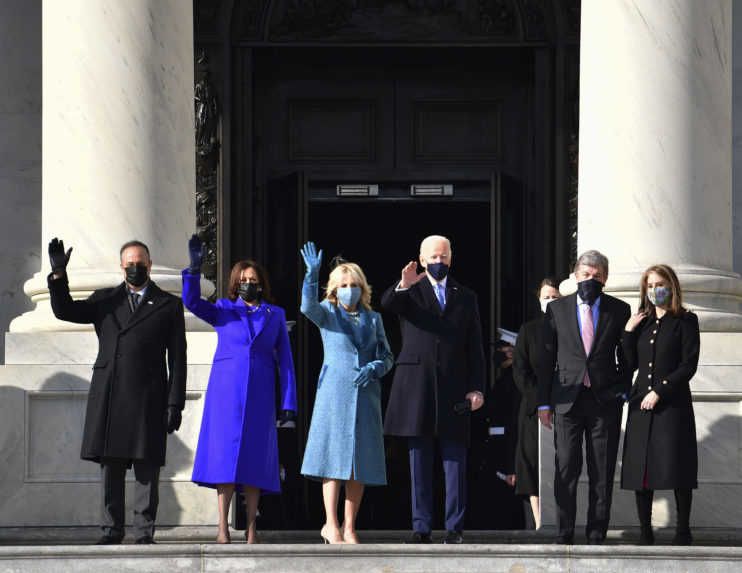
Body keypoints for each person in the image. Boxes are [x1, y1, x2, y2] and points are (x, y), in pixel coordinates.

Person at [47, 237, 187, 545]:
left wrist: (175, 404)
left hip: (149, 396)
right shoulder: (105, 299)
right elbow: (65, 311)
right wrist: (58, 275)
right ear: (121, 268)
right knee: (110, 466)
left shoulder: (168, 305)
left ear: (150, 265)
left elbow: (178, 359)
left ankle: (144, 532)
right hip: (111, 394)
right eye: (130, 265)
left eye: (140, 264)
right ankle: (111, 530)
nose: (135, 269)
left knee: (147, 467)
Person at [182, 235, 297, 544]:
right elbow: (191, 302)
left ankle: (251, 528)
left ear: (261, 284)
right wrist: (193, 270)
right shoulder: (223, 309)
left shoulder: (275, 315)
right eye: (243, 280)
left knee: (255, 461)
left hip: (260, 395)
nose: (248, 284)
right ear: (235, 283)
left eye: (253, 280)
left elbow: (286, 362)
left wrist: (289, 403)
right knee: (225, 459)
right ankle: (222, 526)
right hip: (225, 395)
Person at [382, 235, 486, 544]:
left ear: (451, 258)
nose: (439, 262)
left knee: (455, 461)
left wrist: (477, 388)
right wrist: (403, 284)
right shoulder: (410, 291)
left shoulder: (465, 296)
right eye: (433, 257)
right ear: (422, 259)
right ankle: (422, 526)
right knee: (419, 461)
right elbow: (388, 304)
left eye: (443, 256)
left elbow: (475, 347)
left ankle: (454, 528)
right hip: (417, 386)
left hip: (454, 387)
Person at [299, 242, 394, 544]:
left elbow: (388, 356)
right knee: (333, 457)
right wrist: (311, 276)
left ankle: (350, 526)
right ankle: (331, 524)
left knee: (359, 462)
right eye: (343, 285)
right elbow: (307, 307)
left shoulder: (374, 318)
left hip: (366, 394)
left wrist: (376, 367)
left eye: (354, 285)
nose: (349, 290)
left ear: (362, 288)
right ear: (334, 289)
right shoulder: (327, 312)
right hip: (334, 394)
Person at [537, 250, 631, 545]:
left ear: (605, 278)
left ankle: (596, 534)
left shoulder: (620, 309)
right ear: (575, 276)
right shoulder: (557, 309)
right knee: (566, 467)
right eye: (586, 275)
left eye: (597, 276)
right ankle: (564, 533)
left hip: (604, 401)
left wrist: (622, 389)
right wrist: (543, 402)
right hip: (567, 400)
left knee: (601, 471)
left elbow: (627, 357)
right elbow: (546, 359)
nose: (591, 280)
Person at [620, 264, 700, 546]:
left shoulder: (686, 320)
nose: (655, 291)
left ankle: (683, 530)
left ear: (671, 286)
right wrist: (628, 332)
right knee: (641, 466)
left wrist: (660, 391)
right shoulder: (642, 323)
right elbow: (628, 365)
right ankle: (645, 531)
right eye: (650, 286)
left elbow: (688, 365)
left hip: (672, 403)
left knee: (678, 465)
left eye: (660, 285)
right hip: (640, 403)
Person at [512, 277, 561, 529]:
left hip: (565, 407)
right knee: (532, 464)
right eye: (546, 297)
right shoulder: (529, 330)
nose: (550, 301)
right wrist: (541, 402)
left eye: (555, 297)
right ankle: (540, 522)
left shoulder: (570, 328)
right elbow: (520, 370)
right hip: (534, 411)